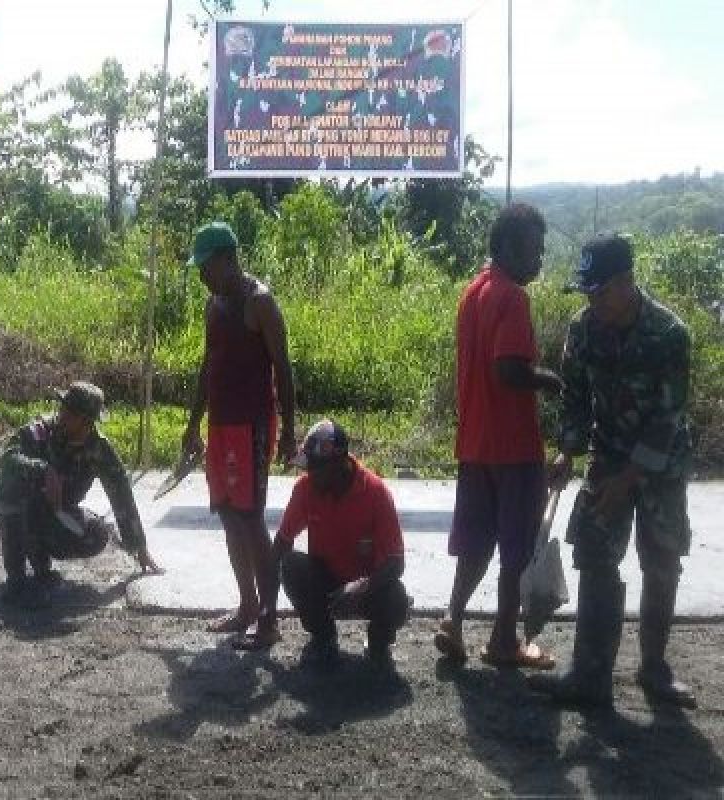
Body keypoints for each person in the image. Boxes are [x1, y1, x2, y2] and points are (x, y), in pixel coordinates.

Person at [530, 234, 696, 708]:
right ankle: (590, 674)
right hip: (608, 454)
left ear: (627, 283)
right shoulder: (583, 329)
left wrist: (629, 481)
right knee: (595, 555)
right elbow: (575, 399)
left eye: (599, 291)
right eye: (587, 292)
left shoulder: (669, 334)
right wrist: (566, 452)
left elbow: (668, 419)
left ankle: (654, 671)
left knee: (661, 560)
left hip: (661, 466)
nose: (591, 301)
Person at [433, 203, 561, 669]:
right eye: (534, 248)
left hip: (475, 443)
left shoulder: (474, 293)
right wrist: (552, 382)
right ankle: (504, 642)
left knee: (473, 540)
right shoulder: (512, 297)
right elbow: (509, 370)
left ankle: (452, 617)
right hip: (512, 446)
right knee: (514, 546)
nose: (539, 259)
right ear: (507, 246)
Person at [180, 221, 296, 650]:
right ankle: (247, 605)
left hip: (252, 424)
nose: (202, 276)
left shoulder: (259, 302)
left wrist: (290, 428)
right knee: (229, 514)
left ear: (228, 258)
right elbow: (207, 367)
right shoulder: (215, 304)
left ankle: (268, 618)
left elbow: (283, 368)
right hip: (222, 425)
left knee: (251, 519)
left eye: (206, 266)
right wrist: (193, 426)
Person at [0, 381, 161, 607]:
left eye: (70, 412)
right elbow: (8, 458)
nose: (62, 415)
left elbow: (121, 495)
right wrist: (42, 470)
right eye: (63, 408)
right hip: (19, 509)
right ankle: (17, 582)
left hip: (56, 513)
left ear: (86, 420)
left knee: (95, 535)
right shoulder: (40, 432)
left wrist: (139, 546)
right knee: (11, 490)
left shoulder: (98, 448)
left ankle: (41, 567)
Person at [272, 420, 410, 668]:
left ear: (339, 464)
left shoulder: (376, 493)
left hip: (368, 588)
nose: (310, 474)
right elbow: (281, 544)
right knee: (290, 564)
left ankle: (378, 642)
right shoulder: (305, 489)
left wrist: (362, 587)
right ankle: (323, 637)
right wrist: (266, 611)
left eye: (316, 469)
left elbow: (396, 562)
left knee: (398, 600)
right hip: (325, 583)